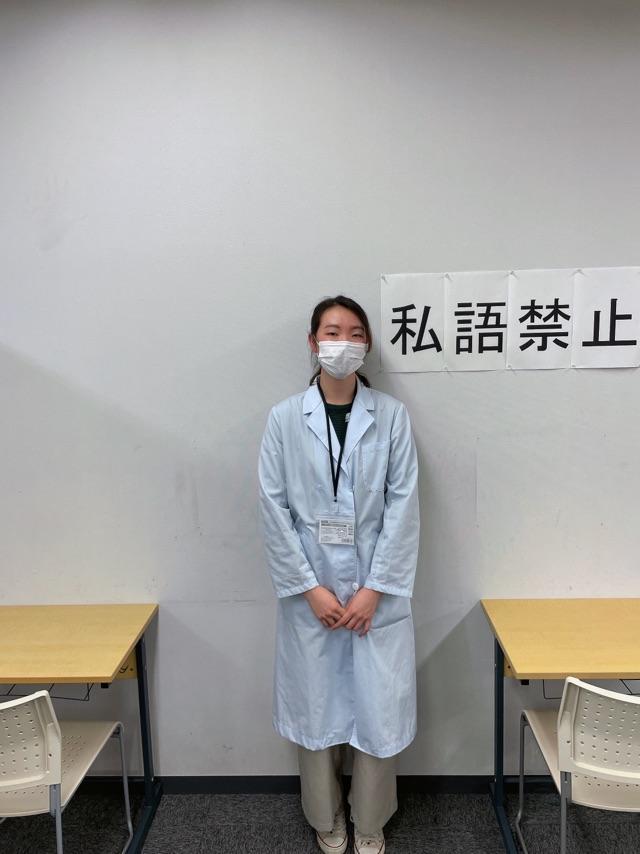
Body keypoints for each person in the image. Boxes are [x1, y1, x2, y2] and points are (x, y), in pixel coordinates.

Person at [258, 295, 420, 854]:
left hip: (378, 596)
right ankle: (325, 818)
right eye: (331, 332)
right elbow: (273, 509)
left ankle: (370, 822)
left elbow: (404, 508)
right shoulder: (284, 419)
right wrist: (310, 589)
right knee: (316, 710)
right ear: (312, 343)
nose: (343, 343)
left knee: (378, 710)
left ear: (367, 345)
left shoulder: (392, 417)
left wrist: (375, 589)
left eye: (354, 333)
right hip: (312, 596)